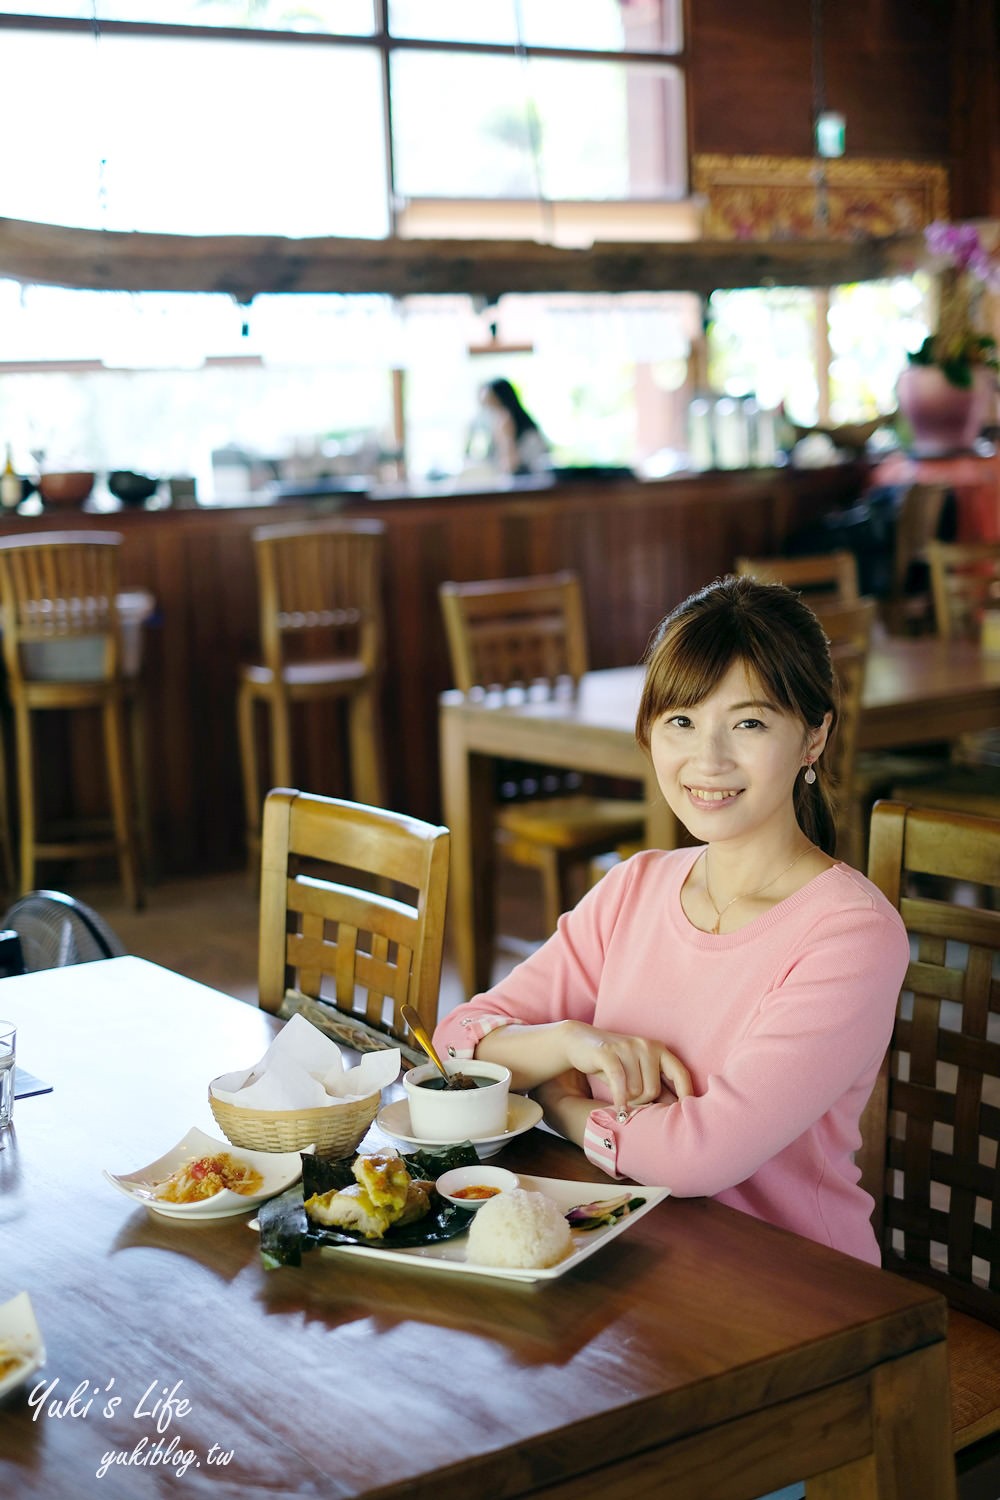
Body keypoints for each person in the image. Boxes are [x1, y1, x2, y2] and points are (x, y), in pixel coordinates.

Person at [434, 574, 910, 1267]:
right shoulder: (635, 887)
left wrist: (563, 1108)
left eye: (748, 722)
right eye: (681, 721)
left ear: (814, 736)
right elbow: (455, 1041)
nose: (707, 759)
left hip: (792, 1285)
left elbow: (700, 1157)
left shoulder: (851, 933)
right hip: (627, 1245)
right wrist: (568, 1043)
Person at [478, 377, 552, 476]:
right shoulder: (491, 437)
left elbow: (513, 471)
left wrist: (507, 439)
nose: (488, 413)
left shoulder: (529, 436)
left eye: (492, 406)